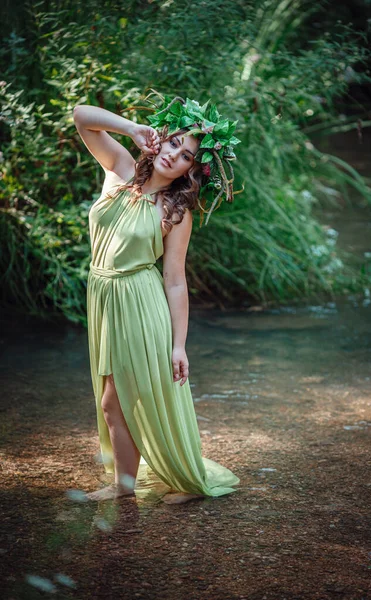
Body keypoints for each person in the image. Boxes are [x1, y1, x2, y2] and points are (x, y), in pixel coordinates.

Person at [73, 94, 241, 504]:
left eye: (186, 156)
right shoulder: (120, 168)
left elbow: (175, 280)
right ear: (160, 139)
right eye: (173, 143)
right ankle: (127, 486)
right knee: (112, 400)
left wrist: (179, 344)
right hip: (103, 296)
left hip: (139, 301)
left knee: (119, 399)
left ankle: (133, 487)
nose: (174, 156)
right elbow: (81, 116)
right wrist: (132, 129)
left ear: (190, 169)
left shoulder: (175, 210)